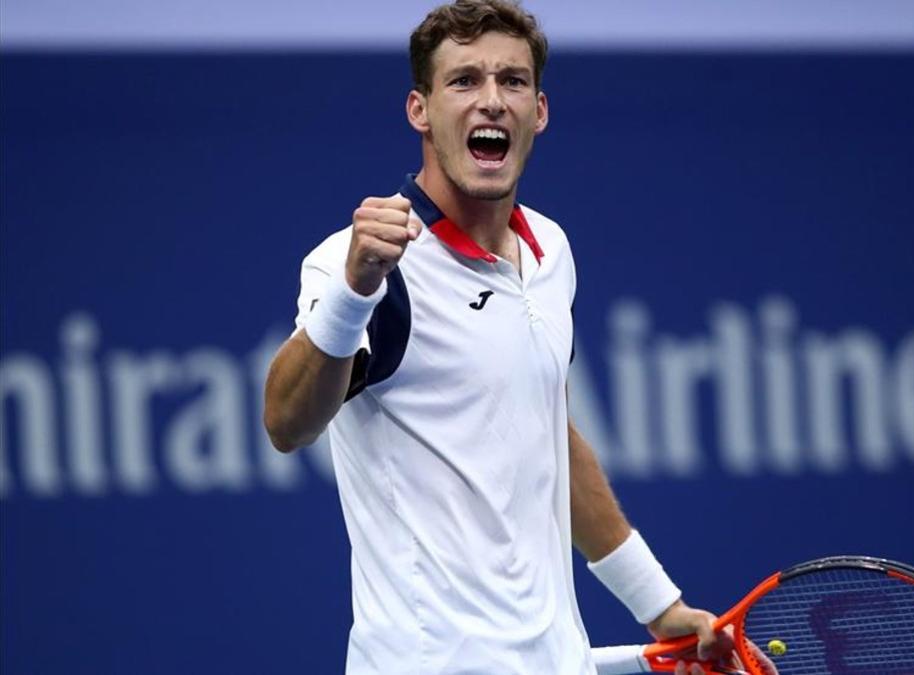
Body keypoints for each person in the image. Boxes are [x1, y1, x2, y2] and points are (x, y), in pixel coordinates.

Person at [263, 2, 735, 673]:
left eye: (512, 82)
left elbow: (547, 435)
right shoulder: (359, 261)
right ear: (419, 111)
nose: (491, 101)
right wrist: (354, 288)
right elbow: (286, 421)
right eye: (464, 82)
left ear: (539, 111)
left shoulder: (552, 254)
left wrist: (659, 604)